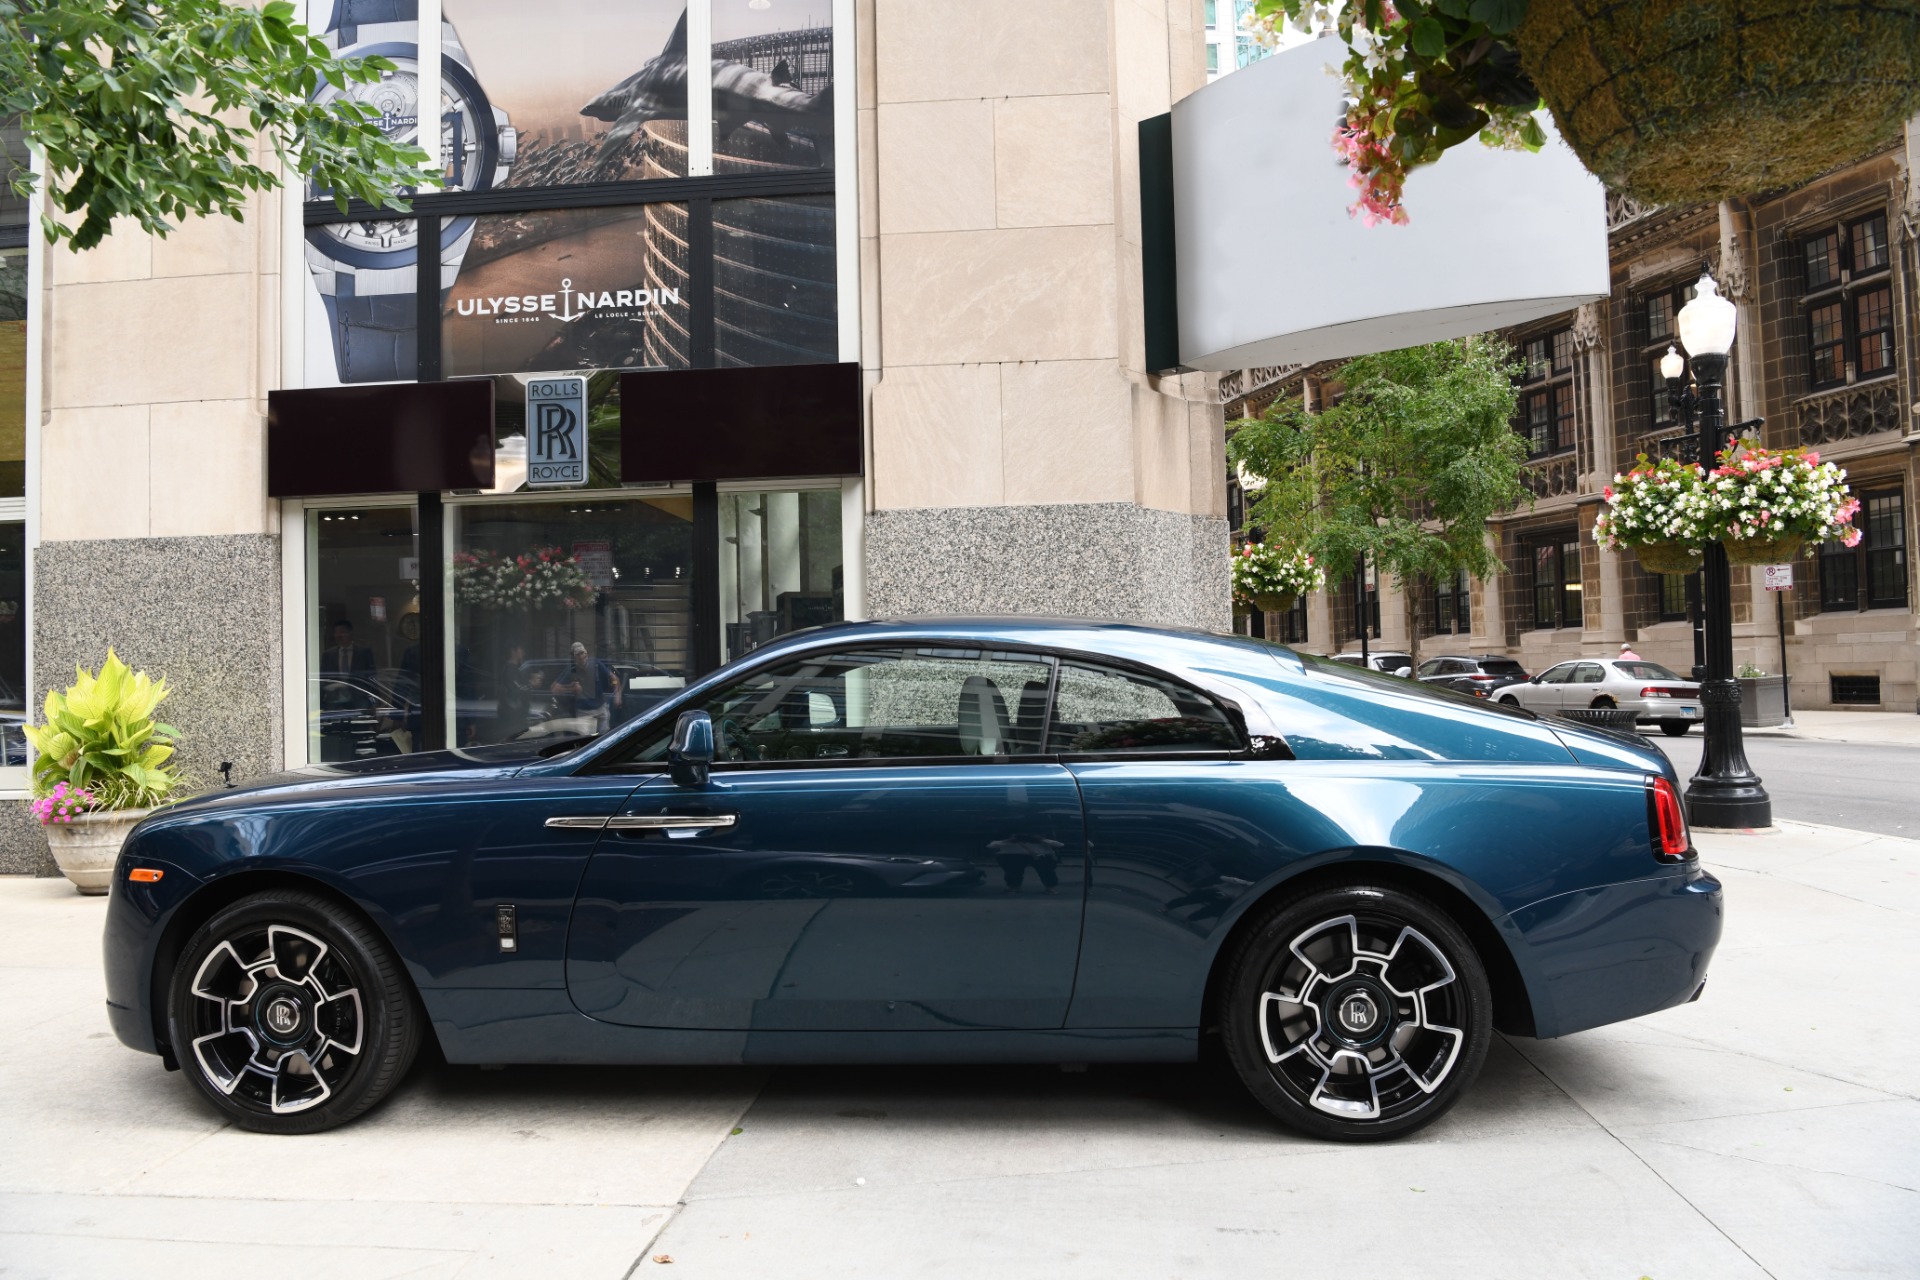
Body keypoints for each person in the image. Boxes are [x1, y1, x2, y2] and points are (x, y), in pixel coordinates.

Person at [552, 640, 621, 735]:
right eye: (578, 655)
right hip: (584, 713)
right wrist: (572, 688)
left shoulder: (596, 664)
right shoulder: (571, 669)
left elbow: (614, 679)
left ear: (586, 653)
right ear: (574, 657)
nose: (581, 657)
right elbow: (555, 689)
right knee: (586, 742)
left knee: (605, 739)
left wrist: (617, 695)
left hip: (601, 709)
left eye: (582, 653)